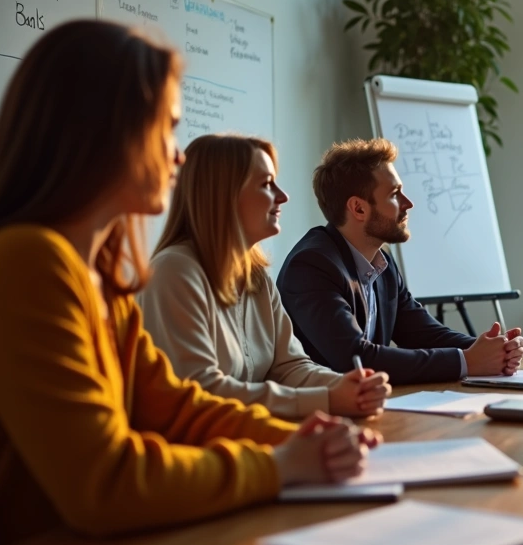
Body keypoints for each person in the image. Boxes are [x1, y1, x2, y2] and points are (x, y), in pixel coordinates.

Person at [0, 20, 378, 545]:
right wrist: (279, 465)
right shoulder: (28, 261)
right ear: (108, 132)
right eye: (166, 128)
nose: (177, 156)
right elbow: (105, 483)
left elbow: (176, 409)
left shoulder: (104, 281)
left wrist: (305, 439)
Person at [139, 134, 391, 420]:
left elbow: (290, 366)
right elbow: (201, 390)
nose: (283, 196)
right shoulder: (173, 271)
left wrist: (348, 386)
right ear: (223, 195)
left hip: (250, 434)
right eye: (266, 184)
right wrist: (328, 399)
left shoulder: (256, 276)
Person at [277, 138, 523, 384]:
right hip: (319, 405)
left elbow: (421, 333)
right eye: (395, 195)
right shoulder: (312, 265)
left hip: (368, 401)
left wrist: (493, 348)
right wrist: (467, 361)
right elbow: (354, 358)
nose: (408, 203)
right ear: (359, 208)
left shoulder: (381, 262)